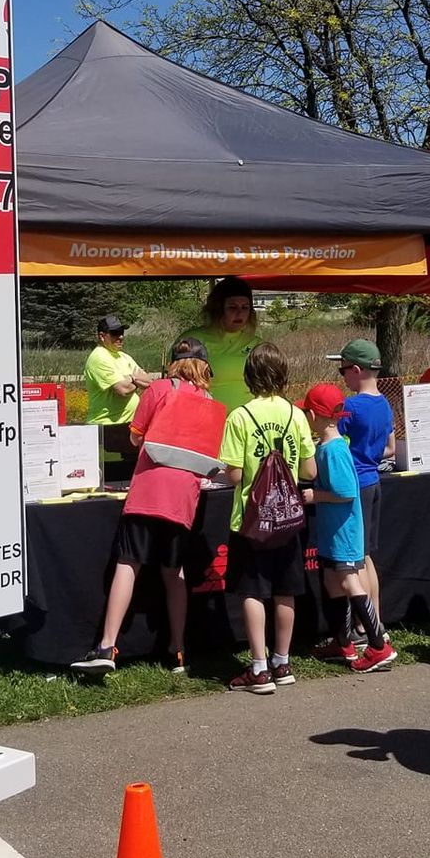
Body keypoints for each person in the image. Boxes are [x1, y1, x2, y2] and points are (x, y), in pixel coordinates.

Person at [70, 339, 221, 675]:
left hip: (149, 488)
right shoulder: (209, 401)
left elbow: (136, 437)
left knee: (129, 563)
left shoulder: (159, 389)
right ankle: (177, 650)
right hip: (184, 496)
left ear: (173, 363)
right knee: (174, 572)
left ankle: (108, 645)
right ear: (204, 365)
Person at [218, 342, 317, 693]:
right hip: (288, 518)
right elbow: (309, 468)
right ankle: (282, 661)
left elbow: (232, 475)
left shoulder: (240, 417)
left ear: (249, 376)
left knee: (252, 590)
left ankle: (258, 668)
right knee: (286, 591)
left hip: (250, 518)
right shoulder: (296, 414)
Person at [300, 382, 396, 673]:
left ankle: (379, 645)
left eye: (306, 412)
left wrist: (315, 496)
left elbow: (346, 492)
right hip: (333, 531)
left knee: (348, 581)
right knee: (331, 581)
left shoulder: (334, 451)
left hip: (344, 531)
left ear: (315, 416)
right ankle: (343, 642)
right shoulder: (330, 447)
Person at [83, 313, 156, 476]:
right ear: (102, 336)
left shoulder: (124, 357)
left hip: (129, 426)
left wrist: (131, 379)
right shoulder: (98, 357)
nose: (121, 337)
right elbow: (122, 389)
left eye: (122, 332)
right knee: (113, 477)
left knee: (131, 474)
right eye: (115, 333)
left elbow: (149, 382)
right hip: (108, 427)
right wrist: (133, 377)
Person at [179, 277, 261, 413]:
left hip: (248, 422)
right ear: (218, 309)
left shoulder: (258, 344)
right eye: (232, 307)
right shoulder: (192, 341)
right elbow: (177, 386)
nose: (239, 313)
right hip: (205, 419)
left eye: (245, 307)